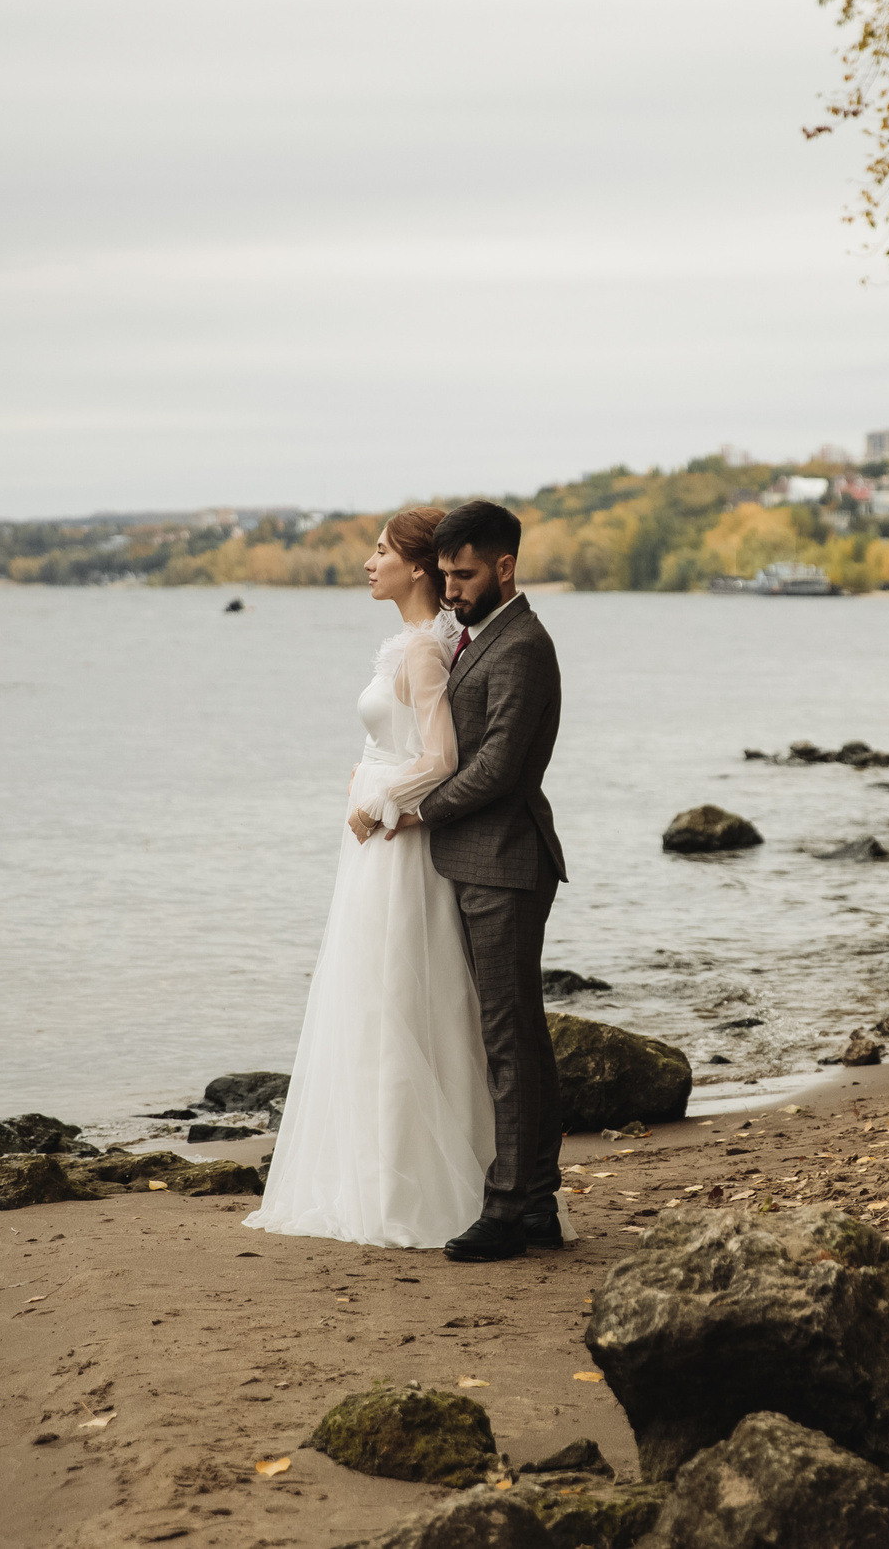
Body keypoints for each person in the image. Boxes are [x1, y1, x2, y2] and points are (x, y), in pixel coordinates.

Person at [242, 507, 495, 1249]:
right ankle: (374, 1172)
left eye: (380, 550)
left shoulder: (422, 650)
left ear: (416, 567)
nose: (367, 561)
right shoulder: (410, 645)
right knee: (371, 997)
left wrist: (382, 799)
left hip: (394, 846)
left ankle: (398, 1187)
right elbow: (398, 738)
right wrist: (366, 775)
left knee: (394, 1000)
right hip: (375, 839)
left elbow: (443, 758)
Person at [387, 500, 571, 1263]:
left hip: (505, 862)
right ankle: (535, 1200)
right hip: (482, 861)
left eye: (464, 574)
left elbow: (495, 767)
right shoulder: (479, 637)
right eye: (447, 574)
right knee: (516, 1032)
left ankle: (509, 1207)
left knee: (508, 1036)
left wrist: (417, 808)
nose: (452, 588)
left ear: (504, 567)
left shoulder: (523, 644)